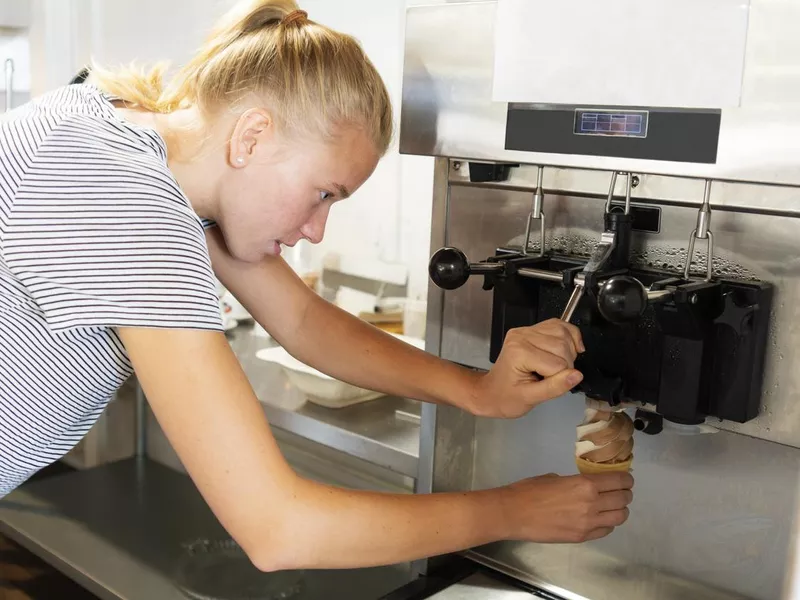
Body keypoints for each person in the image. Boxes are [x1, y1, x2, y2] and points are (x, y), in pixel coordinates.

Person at [0, 0, 633, 572]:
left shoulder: (113, 129)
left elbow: (302, 321)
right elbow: (279, 529)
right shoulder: (135, 212)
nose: (317, 229)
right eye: (324, 193)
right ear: (252, 136)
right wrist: (514, 514)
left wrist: (477, 391)